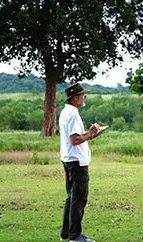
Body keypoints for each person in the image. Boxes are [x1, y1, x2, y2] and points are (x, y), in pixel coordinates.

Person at [59, 83, 104, 242]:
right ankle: (75, 236)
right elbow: (75, 139)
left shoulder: (66, 112)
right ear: (76, 98)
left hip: (69, 159)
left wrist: (92, 135)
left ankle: (66, 234)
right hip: (77, 162)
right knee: (79, 199)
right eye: (82, 95)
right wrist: (90, 133)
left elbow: (77, 137)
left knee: (71, 198)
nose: (84, 97)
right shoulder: (73, 114)